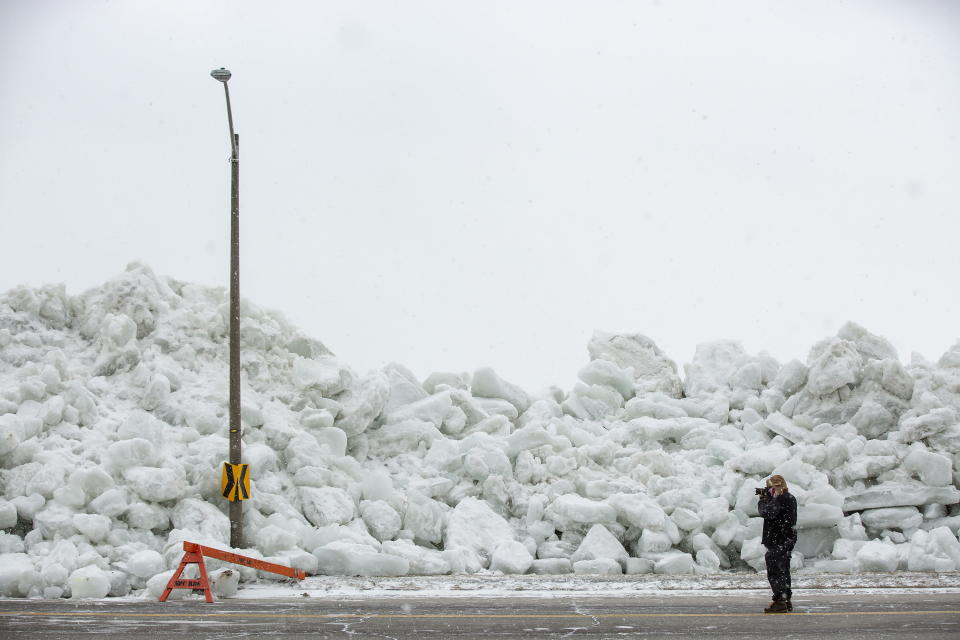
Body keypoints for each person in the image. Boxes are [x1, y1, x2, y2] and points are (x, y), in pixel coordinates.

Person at [757, 474, 797, 613]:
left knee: (775, 569)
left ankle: (780, 601)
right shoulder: (789, 497)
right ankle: (786, 600)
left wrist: (763, 500)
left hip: (779, 539)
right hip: (786, 539)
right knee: (783, 569)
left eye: (771, 488)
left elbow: (766, 512)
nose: (770, 491)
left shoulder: (781, 499)